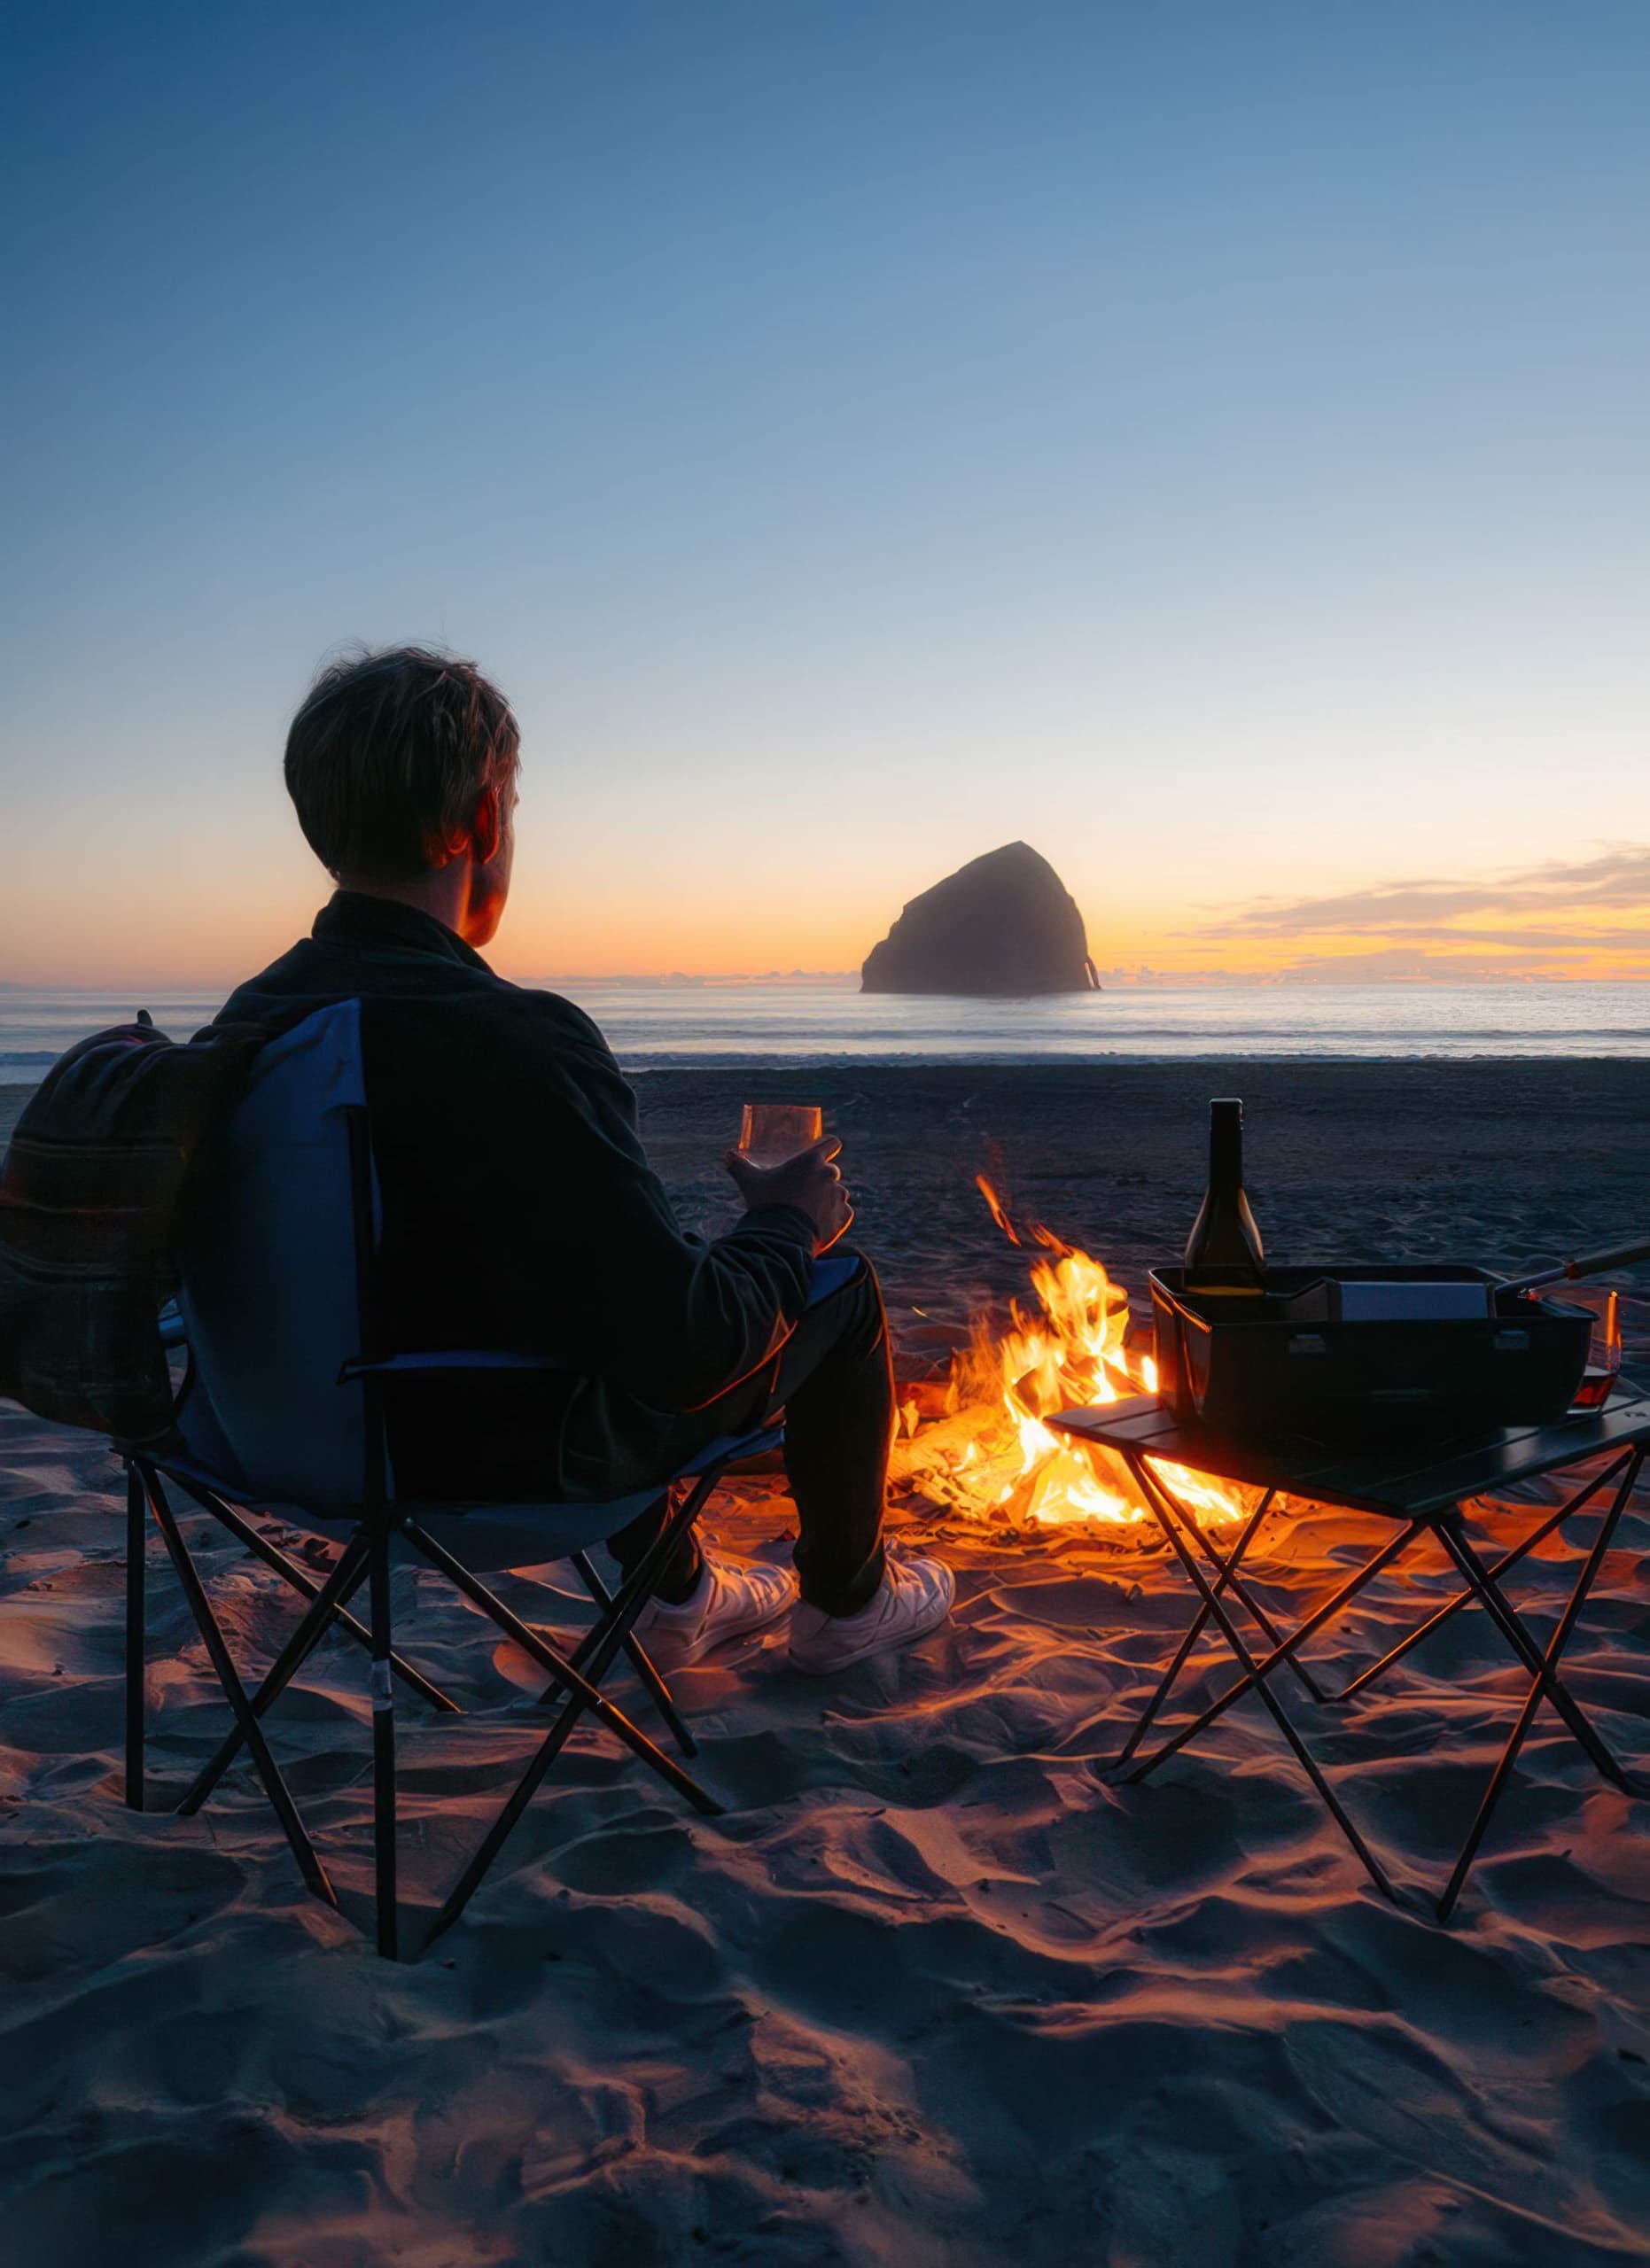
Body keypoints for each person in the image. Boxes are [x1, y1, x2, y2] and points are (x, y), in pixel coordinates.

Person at [214, 645, 954, 1674]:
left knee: (586, 1272)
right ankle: (847, 1602)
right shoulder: (509, 1038)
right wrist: (788, 1221)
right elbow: (687, 1349)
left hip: (268, 1444)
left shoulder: (245, 1030)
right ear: (482, 821)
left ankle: (680, 1592)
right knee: (837, 1288)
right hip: (494, 1468)